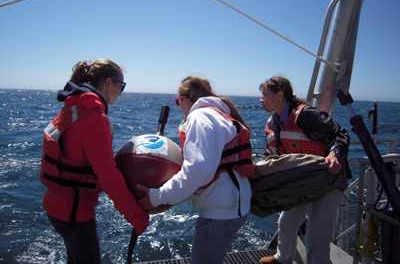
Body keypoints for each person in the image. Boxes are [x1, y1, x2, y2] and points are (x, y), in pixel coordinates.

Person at [40, 59, 149, 263]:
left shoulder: (74, 106)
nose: (122, 92)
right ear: (108, 82)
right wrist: (138, 217)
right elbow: (108, 178)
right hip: (75, 214)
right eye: (121, 85)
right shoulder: (94, 117)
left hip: (57, 208)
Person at [137, 75, 254, 264]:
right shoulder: (220, 115)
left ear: (184, 98)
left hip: (219, 213)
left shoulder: (200, 117)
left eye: (177, 101)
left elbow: (199, 168)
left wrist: (157, 196)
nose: (179, 106)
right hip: (235, 208)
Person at [258, 76, 351, 264]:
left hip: (329, 180)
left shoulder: (307, 115)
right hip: (304, 183)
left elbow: (340, 135)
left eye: (265, 95)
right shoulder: (272, 124)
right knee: (287, 222)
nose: (261, 99)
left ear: (280, 95)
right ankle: (283, 258)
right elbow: (270, 153)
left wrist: (334, 155)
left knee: (317, 234)